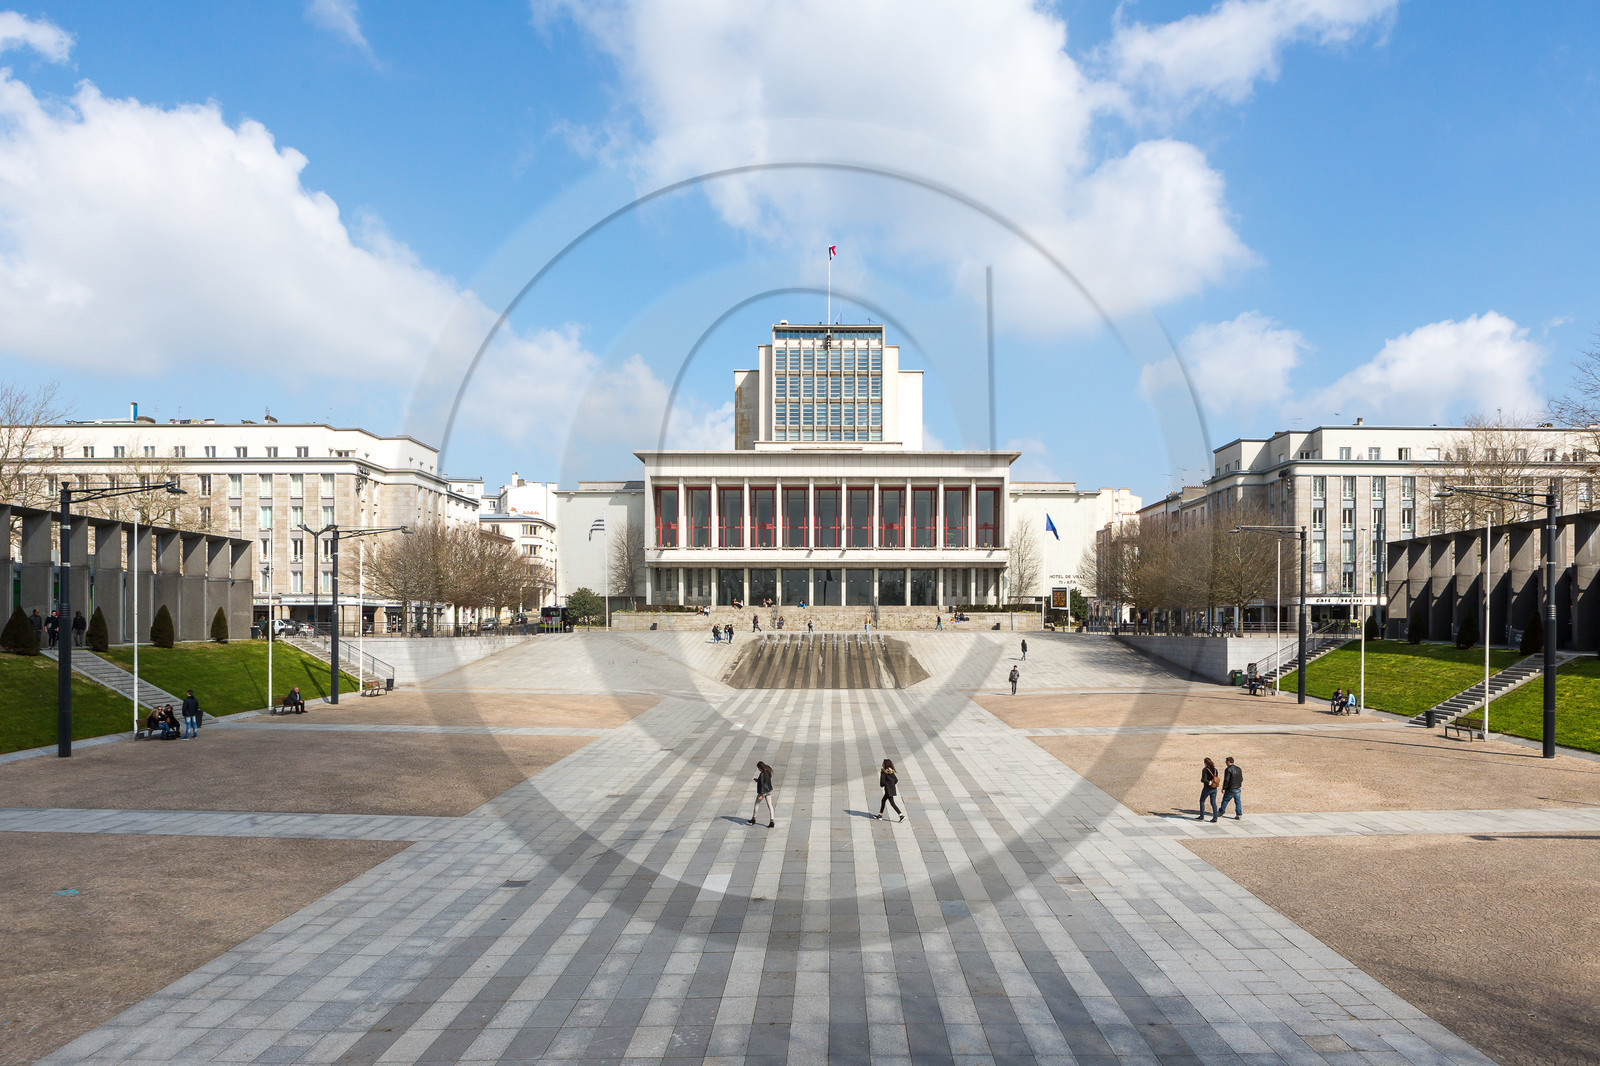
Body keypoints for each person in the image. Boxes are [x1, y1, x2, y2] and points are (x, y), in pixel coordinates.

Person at [747, 760, 776, 828]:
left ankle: (753, 819)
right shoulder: (768, 771)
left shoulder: (762, 774)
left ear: (760, 767)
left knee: (756, 804)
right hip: (768, 791)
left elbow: (763, 784)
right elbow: (765, 782)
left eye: (758, 768)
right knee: (770, 806)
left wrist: (761, 795)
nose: (758, 769)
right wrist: (758, 780)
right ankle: (772, 821)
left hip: (762, 792)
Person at [1197, 757, 1220, 822]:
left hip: (1207, 788)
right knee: (1213, 803)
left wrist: (1207, 782)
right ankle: (1215, 818)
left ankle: (1201, 816)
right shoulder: (1215, 769)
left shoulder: (1205, 770)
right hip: (1214, 788)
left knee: (1202, 801)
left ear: (1205, 763)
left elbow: (1203, 779)